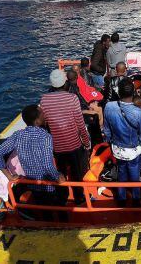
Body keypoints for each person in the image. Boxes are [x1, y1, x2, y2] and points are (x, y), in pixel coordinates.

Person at [0, 105, 66, 211]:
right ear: (37, 121)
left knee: (44, 209)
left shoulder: (18, 135)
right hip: (48, 185)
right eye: (42, 114)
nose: (45, 115)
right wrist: (58, 176)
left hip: (31, 184)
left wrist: (9, 176)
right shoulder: (45, 137)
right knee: (60, 205)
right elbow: (47, 164)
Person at [103, 79, 141, 205]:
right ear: (134, 93)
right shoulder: (139, 113)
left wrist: (109, 142)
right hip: (133, 151)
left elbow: (106, 130)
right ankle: (136, 200)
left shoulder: (109, 106)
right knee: (134, 175)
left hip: (117, 149)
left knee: (121, 172)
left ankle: (122, 199)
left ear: (119, 92)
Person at [40, 69, 91, 203]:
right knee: (76, 173)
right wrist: (86, 142)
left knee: (61, 172)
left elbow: (45, 123)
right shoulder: (72, 98)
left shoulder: (44, 100)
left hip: (56, 146)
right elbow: (80, 124)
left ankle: (62, 198)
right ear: (65, 83)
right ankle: (79, 198)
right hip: (74, 144)